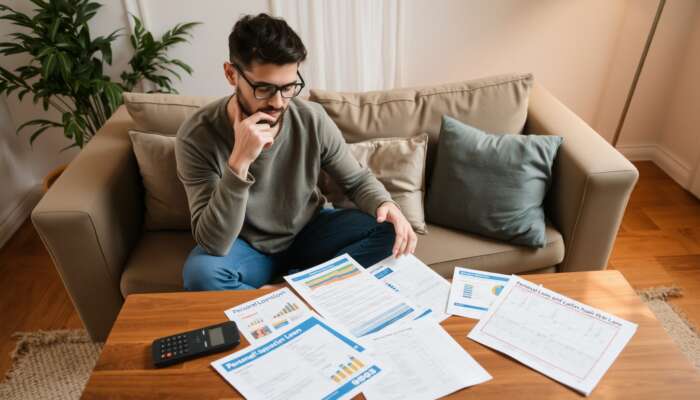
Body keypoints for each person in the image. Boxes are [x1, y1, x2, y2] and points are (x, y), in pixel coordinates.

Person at [175, 13, 417, 291]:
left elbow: (357, 181)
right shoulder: (197, 135)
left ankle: (295, 292)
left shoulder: (311, 118)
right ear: (231, 74)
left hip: (310, 231)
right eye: (263, 88)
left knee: (391, 231)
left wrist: (386, 204)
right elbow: (213, 242)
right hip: (246, 246)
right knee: (201, 275)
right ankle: (316, 290)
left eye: (288, 87)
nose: (278, 102)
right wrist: (239, 163)